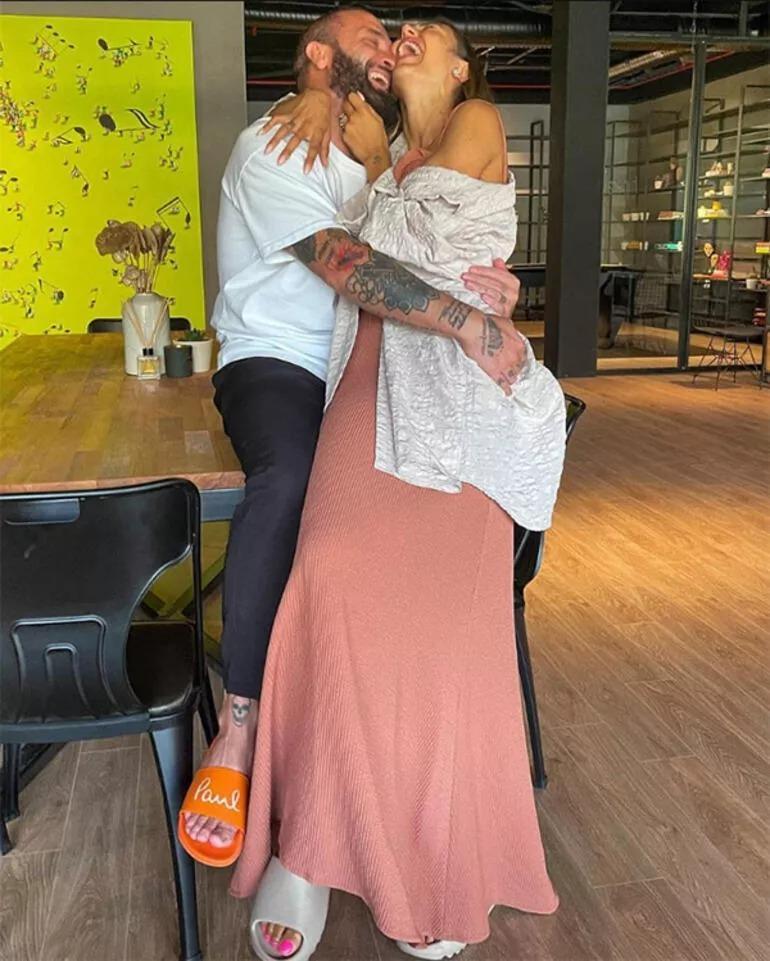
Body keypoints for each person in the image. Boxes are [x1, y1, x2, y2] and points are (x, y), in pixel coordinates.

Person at [229, 17, 565, 961]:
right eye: (392, 27)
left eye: (427, 32)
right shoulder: (356, 156)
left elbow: (396, 250)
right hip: (372, 376)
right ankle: (305, 840)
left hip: (457, 389)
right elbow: (368, 266)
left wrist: (382, 170)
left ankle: (432, 856)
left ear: (460, 68)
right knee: (327, 574)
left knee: (446, 629)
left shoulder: (475, 119)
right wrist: (344, 128)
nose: (406, 33)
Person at [177, 7, 524, 869]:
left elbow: (438, 240)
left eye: (396, 35)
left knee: (377, 543)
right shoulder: (275, 144)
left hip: (372, 368)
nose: (388, 42)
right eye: (370, 35)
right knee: (290, 483)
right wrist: (465, 318)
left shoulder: (384, 152)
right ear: (318, 55)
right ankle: (243, 725)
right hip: (281, 363)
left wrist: (491, 286)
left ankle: (383, 762)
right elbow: (347, 263)